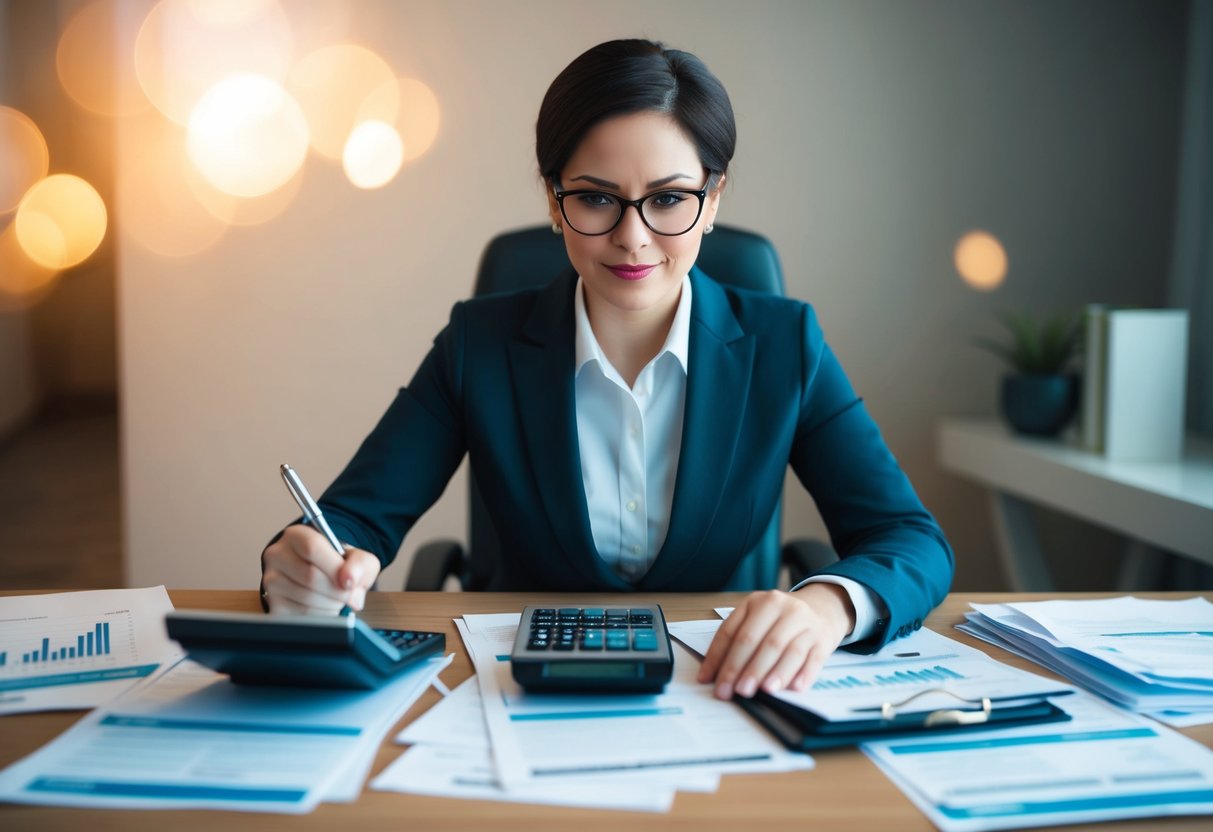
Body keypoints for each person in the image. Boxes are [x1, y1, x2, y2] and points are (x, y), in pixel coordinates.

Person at [260, 38, 954, 701]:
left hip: (719, 687)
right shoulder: (481, 343)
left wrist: (829, 605)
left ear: (712, 200)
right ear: (552, 201)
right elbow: (353, 518)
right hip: (523, 687)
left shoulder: (783, 343)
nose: (631, 236)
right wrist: (309, 566)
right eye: (594, 197)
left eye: (669, 198)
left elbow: (908, 538)